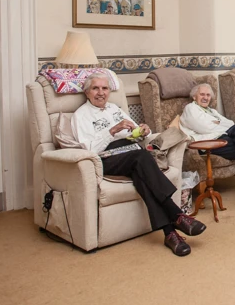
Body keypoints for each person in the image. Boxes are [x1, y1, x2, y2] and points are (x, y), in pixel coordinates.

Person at [71, 72, 206, 257]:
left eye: (104, 88)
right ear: (87, 92)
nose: (100, 92)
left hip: (131, 152)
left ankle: (170, 233)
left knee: (141, 174)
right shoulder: (81, 115)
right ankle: (177, 215)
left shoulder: (114, 109)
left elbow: (136, 131)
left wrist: (144, 130)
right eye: (95, 88)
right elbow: (88, 148)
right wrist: (112, 131)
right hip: (107, 156)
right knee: (141, 157)